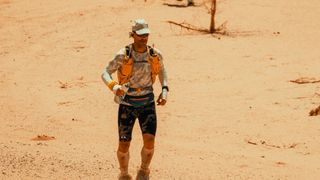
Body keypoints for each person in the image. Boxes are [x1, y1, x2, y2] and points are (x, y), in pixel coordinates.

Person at [101, 19, 169, 180]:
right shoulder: (122, 55)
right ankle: (124, 174)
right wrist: (113, 86)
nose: (143, 38)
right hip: (127, 104)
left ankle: (144, 170)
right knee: (124, 143)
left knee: (150, 140)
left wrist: (164, 90)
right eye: (140, 35)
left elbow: (162, 71)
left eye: (146, 34)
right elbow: (105, 72)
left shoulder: (155, 54)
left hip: (148, 103)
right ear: (133, 35)